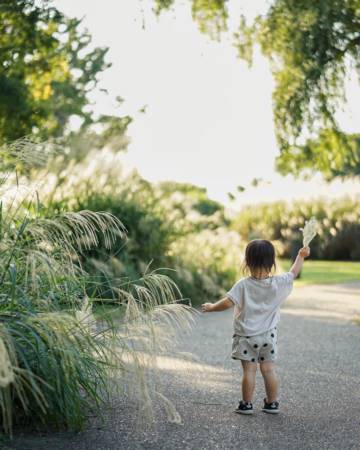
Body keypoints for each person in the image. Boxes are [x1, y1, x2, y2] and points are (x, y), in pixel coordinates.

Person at [201, 239, 310, 415]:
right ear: (272, 262)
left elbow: (227, 303)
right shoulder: (278, 283)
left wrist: (212, 307)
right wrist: (300, 256)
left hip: (246, 337)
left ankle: (246, 404)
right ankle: (272, 403)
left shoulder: (243, 285)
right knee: (268, 370)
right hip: (269, 336)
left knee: (249, 371)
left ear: (247, 262)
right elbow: (294, 272)